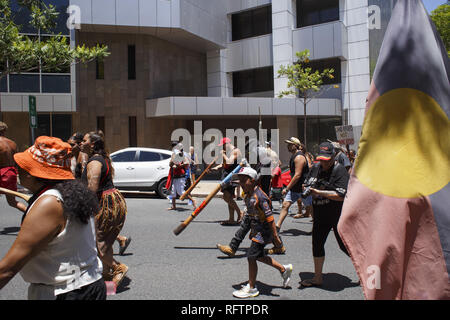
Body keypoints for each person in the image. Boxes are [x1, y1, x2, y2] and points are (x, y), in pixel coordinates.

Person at [0, 136, 106, 300]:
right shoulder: (70, 192)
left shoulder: (50, 202)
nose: (18, 169)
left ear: (33, 174)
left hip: (66, 292)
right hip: (87, 283)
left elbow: (8, 268)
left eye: (23, 165)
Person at [231, 167, 293, 299]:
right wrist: (252, 231)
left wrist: (276, 238)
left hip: (264, 232)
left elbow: (270, 219)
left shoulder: (260, 196)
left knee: (251, 256)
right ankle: (283, 269)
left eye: (244, 181)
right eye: (239, 181)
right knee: (257, 255)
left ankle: (252, 288)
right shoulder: (248, 195)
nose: (241, 184)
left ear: (253, 181)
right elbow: (253, 216)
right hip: (258, 230)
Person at [81, 131, 129, 288]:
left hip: (105, 203)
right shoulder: (102, 158)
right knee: (104, 244)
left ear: (92, 144)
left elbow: (92, 189)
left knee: (99, 244)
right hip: (110, 201)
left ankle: (118, 267)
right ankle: (107, 279)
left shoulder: (94, 162)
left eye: (84, 140)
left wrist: (82, 208)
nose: (81, 143)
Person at [300, 142, 350, 287]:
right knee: (317, 244)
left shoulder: (339, 170)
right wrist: (307, 188)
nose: (323, 163)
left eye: (326, 160)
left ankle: (365, 270)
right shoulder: (315, 167)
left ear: (334, 156)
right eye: (321, 159)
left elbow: (342, 195)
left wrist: (319, 192)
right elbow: (308, 183)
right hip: (320, 214)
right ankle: (317, 277)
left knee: (345, 246)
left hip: (337, 215)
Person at [275, 137, 309, 231]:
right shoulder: (294, 156)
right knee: (285, 205)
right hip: (295, 188)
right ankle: (277, 226)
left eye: (290, 144)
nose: (288, 146)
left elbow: (297, 175)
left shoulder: (299, 157)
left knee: (310, 209)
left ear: (295, 145)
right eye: (288, 144)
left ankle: (317, 228)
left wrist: (287, 188)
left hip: (303, 188)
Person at [210, 137, 244, 225]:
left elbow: (229, 162)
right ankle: (231, 219)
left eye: (223, 146)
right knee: (229, 197)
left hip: (231, 176)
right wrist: (216, 168)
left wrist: (223, 155)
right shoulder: (229, 152)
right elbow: (224, 164)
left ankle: (239, 212)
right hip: (227, 176)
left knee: (226, 197)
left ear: (227, 144)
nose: (222, 148)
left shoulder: (235, 151)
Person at [0, 122, 27, 213]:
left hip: (1, 173)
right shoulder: (13, 143)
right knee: (12, 202)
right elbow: (17, 160)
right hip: (11, 173)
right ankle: (30, 213)